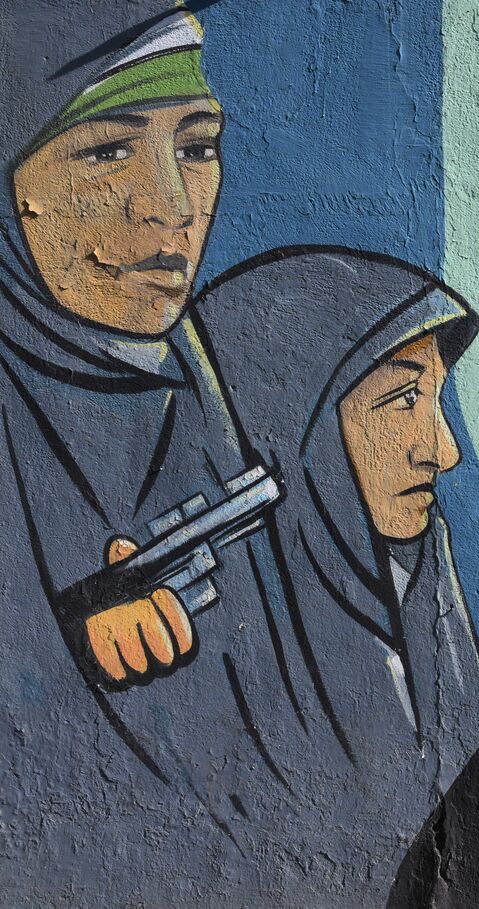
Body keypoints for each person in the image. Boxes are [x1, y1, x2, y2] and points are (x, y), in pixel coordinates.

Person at [0, 4, 328, 901]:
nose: (171, 207)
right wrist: (54, 638)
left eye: (197, 145)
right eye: (107, 152)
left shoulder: (205, 375)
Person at [194, 247, 479, 902]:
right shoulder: (202, 661)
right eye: (400, 401)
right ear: (291, 428)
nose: (442, 449)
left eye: (434, 400)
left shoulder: (418, 581)